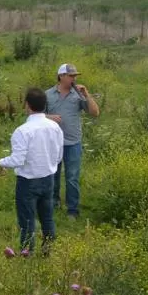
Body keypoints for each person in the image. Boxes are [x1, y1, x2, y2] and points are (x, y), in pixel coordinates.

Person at [0, 88, 64, 255]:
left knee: (27, 222)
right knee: (47, 218)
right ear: (44, 105)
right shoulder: (55, 127)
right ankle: (47, 252)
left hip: (28, 182)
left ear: (27, 105)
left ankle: (27, 255)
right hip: (49, 178)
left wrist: (1, 162)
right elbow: (58, 156)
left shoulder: (23, 131)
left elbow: (18, 160)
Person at [45, 63, 100, 219]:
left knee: (72, 177)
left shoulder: (78, 95)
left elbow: (95, 113)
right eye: (70, 76)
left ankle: (72, 209)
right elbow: (37, 116)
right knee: (53, 175)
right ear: (61, 76)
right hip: (53, 142)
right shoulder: (48, 94)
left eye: (75, 76)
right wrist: (50, 117)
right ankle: (53, 203)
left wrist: (87, 95)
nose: (73, 79)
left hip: (73, 143)